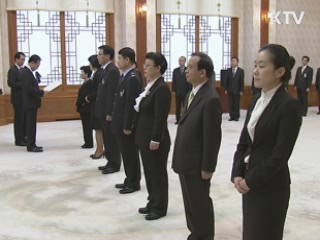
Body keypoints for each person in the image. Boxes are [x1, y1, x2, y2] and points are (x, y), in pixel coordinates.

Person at [231, 44, 302, 240]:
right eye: (255, 65)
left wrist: (250, 180)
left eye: (262, 66)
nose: (255, 71)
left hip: (270, 186)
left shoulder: (289, 106)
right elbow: (244, 141)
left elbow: (280, 155)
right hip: (249, 181)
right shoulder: (255, 100)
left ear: (280, 71)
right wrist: (237, 172)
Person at [172, 52, 222, 240]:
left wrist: (208, 167)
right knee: (190, 203)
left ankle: (204, 236)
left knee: (200, 204)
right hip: (186, 160)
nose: (186, 70)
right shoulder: (191, 94)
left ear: (203, 73)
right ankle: (195, 233)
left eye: (191, 67)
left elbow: (212, 137)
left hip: (197, 163)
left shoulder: (210, 98)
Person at [134, 52, 171, 220]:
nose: (144, 68)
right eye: (144, 65)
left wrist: (155, 139)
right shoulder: (150, 86)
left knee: (157, 174)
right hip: (144, 137)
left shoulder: (162, 88)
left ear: (158, 68)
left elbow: (160, 117)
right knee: (149, 173)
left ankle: (159, 207)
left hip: (155, 141)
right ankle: (152, 201)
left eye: (148, 65)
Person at [112, 47, 142, 194]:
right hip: (119, 122)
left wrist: (128, 125)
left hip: (126, 125)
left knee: (130, 154)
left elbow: (131, 105)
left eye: (120, 58)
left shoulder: (133, 78)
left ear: (127, 60)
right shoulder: (124, 76)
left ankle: (134, 182)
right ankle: (128, 178)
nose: (118, 61)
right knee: (125, 153)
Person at [96, 45, 121, 174]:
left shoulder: (112, 71)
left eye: (100, 54)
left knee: (111, 139)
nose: (98, 57)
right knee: (106, 138)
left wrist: (109, 113)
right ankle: (110, 161)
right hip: (102, 111)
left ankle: (115, 163)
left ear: (107, 56)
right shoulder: (105, 70)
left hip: (108, 113)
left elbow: (112, 94)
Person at [21, 54, 48, 152]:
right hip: (30, 103)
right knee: (30, 125)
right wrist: (41, 92)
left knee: (32, 125)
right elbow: (29, 89)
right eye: (37, 65)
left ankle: (32, 143)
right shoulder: (25, 72)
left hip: (32, 103)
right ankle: (31, 145)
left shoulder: (29, 72)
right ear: (32, 63)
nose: (37, 68)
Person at [86, 55, 104, 159]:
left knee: (99, 129)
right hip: (95, 105)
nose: (89, 65)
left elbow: (98, 91)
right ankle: (100, 149)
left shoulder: (99, 74)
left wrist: (89, 98)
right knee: (98, 129)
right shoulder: (96, 73)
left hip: (98, 105)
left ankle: (99, 150)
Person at [7, 52, 27, 146]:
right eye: (22, 59)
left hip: (24, 99)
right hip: (17, 99)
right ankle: (18, 140)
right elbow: (11, 83)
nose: (23, 61)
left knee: (24, 119)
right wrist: (23, 84)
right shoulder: (13, 70)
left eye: (24, 59)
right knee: (19, 119)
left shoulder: (22, 70)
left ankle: (24, 137)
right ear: (16, 59)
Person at [76, 66, 93, 149]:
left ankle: (89, 143)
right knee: (85, 126)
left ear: (86, 74)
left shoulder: (89, 83)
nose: (80, 74)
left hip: (86, 108)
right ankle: (87, 141)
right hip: (83, 108)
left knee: (87, 126)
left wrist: (79, 103)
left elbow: (83, 96)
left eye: (82, 72)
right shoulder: (86, 82)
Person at [172, 56, 191, 124]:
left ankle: (185, 119)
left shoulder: (188, 70)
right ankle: (178, 119)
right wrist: (173, 90)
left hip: (185, 91)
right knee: (178, 106)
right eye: (180, 61)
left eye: (182, 61)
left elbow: (190, 82)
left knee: (185, 106)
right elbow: (174, 81)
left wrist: (189, 91)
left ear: (185, 62)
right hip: (178, 91)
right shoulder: (175, 70)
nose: (181, 62)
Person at [224, 57, 244, 121]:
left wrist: (241, 90)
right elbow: (226, 80)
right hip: (230, 90)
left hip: (237, 90)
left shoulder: (240, 71)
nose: (233, 62)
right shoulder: (228, 70)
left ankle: (236, 116)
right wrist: (225, 89)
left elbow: (241, 81)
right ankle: (231, 116)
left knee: (236, 104)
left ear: (237, 62)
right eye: (232, 61)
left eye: (234, 61)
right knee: (231, 104)